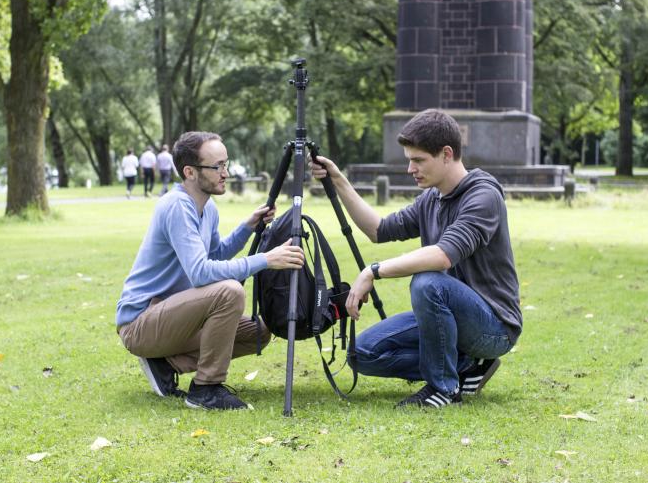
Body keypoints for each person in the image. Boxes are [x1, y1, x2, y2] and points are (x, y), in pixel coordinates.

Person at [310, 109, 521, 408]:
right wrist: (338, 180)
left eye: (418, 160)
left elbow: (444, 255)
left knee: (428, 283)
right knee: (362, 354)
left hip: (493, 327)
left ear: (447, 154)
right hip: (449, 315)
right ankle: (465, 367)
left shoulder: (483, 196)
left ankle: (443, 388)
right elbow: (378, 229)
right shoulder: (431, 199)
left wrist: (373, 272)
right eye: (410, 159)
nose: (410, 168)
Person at [116, 131, 305, 410]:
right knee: (229, 291)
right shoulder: (177, 205)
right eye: (217, 166)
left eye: (226, 164)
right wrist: (266, 259)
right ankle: (205, 389)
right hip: (141, 323)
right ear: (190, 172)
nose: (225, 173)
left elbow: (214, 256)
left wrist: (247, 228)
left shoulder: (208, 207)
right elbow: (202, 274)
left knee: (259, 333)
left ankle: (165, 363)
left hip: (173, 316)